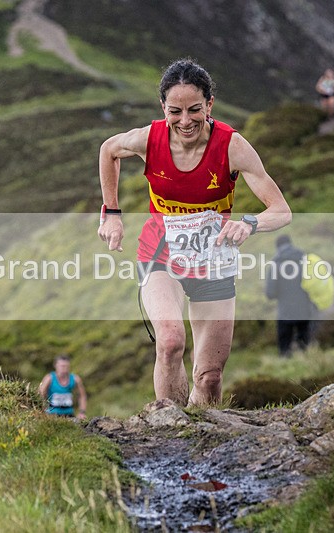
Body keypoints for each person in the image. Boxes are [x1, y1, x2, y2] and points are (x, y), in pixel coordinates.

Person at [97, 58, 291, 406]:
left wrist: (248, 223)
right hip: (160, 253)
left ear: (210, 105)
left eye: (194, 110)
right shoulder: (149, 138)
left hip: (214, 259)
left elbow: (281, 211)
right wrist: (111, 213)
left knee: (210, 377)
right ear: (163, 108)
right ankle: (169, 430)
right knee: (170, 341)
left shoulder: (231, 146)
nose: (185, 121)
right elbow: (108, 150)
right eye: (175, 111)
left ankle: (201, 441)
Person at [265, 235, 315, 357]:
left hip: (285, 311)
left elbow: (270, 293)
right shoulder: (304, 259)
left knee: (284, 347)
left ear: (278, 247)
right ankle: (307, 363)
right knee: (304, 343)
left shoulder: (276, 264)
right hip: (304, 308)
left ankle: (285, 365)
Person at [39, 354, 87, 419]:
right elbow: (40, 394)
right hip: (52, 414)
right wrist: (41, 411)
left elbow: (82, 395)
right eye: (62, 366)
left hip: (69, 414)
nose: (64, 368)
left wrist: (82, 412)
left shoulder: (75, 379)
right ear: (55, 365)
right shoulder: (49, 378)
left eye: (66, 366)